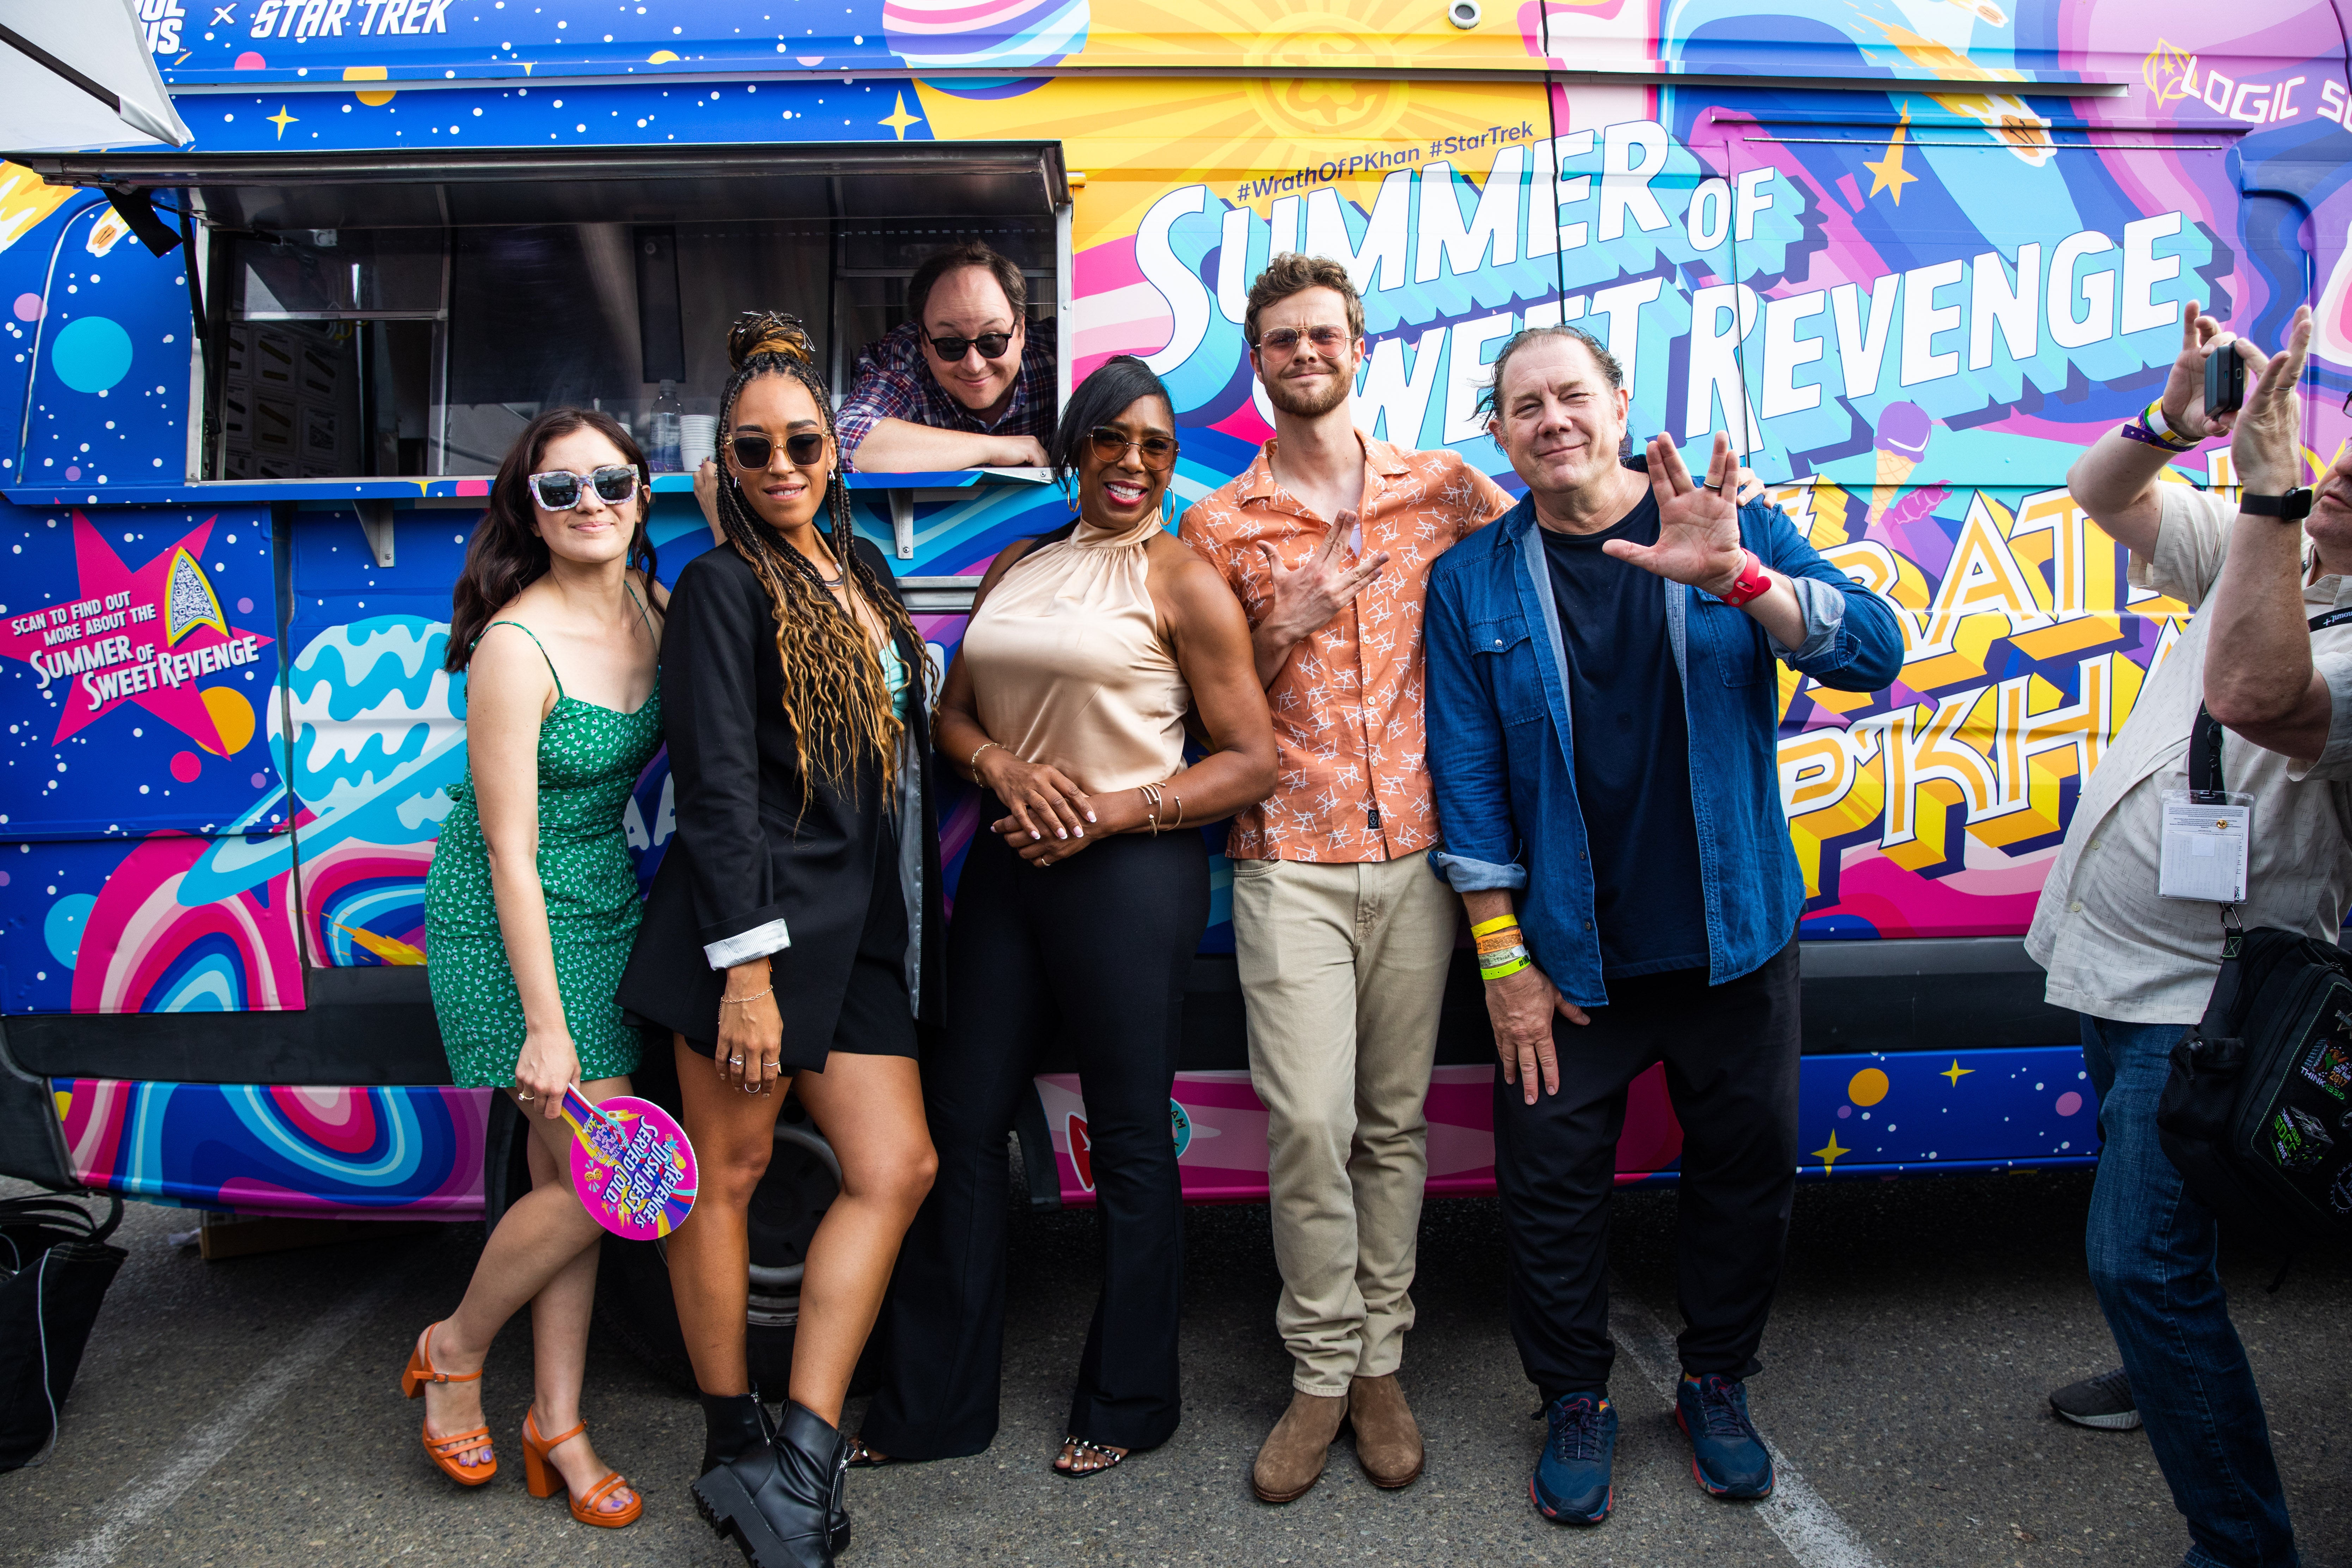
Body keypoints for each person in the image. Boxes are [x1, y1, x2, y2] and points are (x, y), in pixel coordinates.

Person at [1424, 324, 1902, 1526]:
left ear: (1620, 400)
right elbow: (1470, 778)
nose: (1551, 419)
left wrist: (1741, 577)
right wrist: (1503, 963)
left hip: (1735, 932)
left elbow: (1875, 653)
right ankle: (1575, 1395)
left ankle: (1714, 1380)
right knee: (1548, 1186)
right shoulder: (1474, 578)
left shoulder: (1723, 515)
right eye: (1523, 405)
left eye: (1571, 394)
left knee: (1744, 1172)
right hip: (1570, 957)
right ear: (1500, 431)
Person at [858, 355, 1277, 1477]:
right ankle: (936, 1405)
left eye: (1156, 447)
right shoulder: (1019, 560)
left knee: (1131, 1137)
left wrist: (1112, 812)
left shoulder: (1185, 579)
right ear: (1077, 446)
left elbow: (1251, 761)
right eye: (1112, 440)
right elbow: (949, 717)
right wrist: (998, 764)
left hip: (1130, 875)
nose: (1133, 463)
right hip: (1008, 866)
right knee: (959, 1125)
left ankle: (1131, 1400)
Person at [1176, 253, 1512, 1503]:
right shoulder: (1218, 525)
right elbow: (1205, 704)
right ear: (1256, 363)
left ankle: (1380, 1363)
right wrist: (1288, 617)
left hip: (1423, 858)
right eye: (1280, 339)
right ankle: (1318, 1371)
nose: (1304, 352)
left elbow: (1552, 549)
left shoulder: (1441, 488)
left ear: (1358, 348)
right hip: (1289, 866)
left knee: (1392, 1126)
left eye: (1323, 333)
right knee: (1310, 1126)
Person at [616, 311, 942, 1568]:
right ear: (725, 468)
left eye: (801, 441)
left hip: (856, 927)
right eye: (753, 452)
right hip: (748, 935)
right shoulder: (716, 582)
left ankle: (798, 1459)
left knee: (895, 1166)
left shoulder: (859, 566)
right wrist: (744, 971)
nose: (781, 466)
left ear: (832, 444)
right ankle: (725, 1441)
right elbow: (712, 787)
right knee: (729, 1175)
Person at [2034, 303, 2350, 1568]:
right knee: (2162, 1236)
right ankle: (2158, 1364)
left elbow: (2260, 694)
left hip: (2209, 1001)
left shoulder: (2290, 577)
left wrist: (2270, 508)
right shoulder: (2272, 556)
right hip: (2113, 969)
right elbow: (2096, 492)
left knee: (2139, 1262)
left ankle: (2241, 1543)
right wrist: (2174, 420)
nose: (2334, 481)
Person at [404, 407, 666, 1531]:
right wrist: (547, 1027)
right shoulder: (516, 647)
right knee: (612, 1179)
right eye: (560, 490)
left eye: (609, 480)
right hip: (505, 929)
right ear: (531, 510)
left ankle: (556, 1423)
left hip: (606, 907)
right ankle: (453, 1349)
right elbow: (508, 851)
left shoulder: (655, 610)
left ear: (642, 492)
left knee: (576, 1186)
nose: (590, 503)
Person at [832, 240, 1058, 472]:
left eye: (992, 341)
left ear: (1020, 330)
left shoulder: (1058, 353)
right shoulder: (904, 360)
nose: (974, 365)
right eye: (950, 345)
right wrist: (991, 448)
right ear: (923, 340)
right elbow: (840, 440)